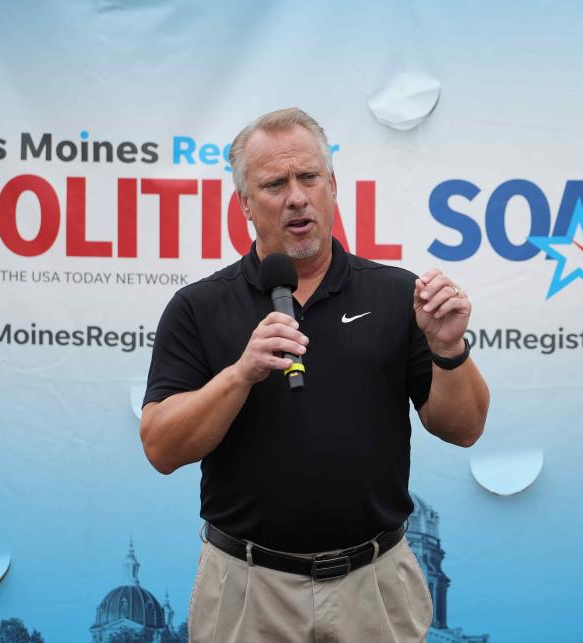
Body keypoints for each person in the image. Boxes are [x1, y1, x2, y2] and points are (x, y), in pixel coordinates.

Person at [140, 107, 489, 642]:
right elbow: (162, 448)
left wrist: (448, 349)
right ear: (246, 206)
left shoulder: (397, 295)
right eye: (275, 183)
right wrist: (241, 374)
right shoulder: (198, 308)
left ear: (333, 187)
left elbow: (463, 428)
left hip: (374, 584)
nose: (296, 196)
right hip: (248, 588)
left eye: (309, 178)